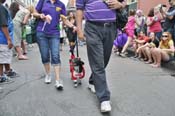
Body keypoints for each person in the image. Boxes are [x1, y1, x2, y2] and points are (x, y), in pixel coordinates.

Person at [76, 0, 126, 113]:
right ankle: (104, 98)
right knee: (98, 63)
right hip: (92, 28)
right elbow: (79, 9)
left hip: (111, 27)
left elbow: (124, 2)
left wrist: (120, 5)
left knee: (104, 61)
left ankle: (92, 81)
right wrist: (79, 29)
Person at [33, 0, 77, 90]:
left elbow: (65, 20)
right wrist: (40, 15)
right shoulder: (43, 1)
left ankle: (58, 80)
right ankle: (48, 74)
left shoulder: (61, 5)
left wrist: (73, 26)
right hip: (42, 32)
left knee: (55, 55)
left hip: (54, 33)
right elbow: (34, 13)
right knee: (45, 55)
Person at [0, 0, 16, 82]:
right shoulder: (1, 8)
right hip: (2, 38)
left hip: (2, 37)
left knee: (3, 57)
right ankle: (1, 76)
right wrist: (8, 39)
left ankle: (4, 73)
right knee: (2, 58)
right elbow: (3, 25)